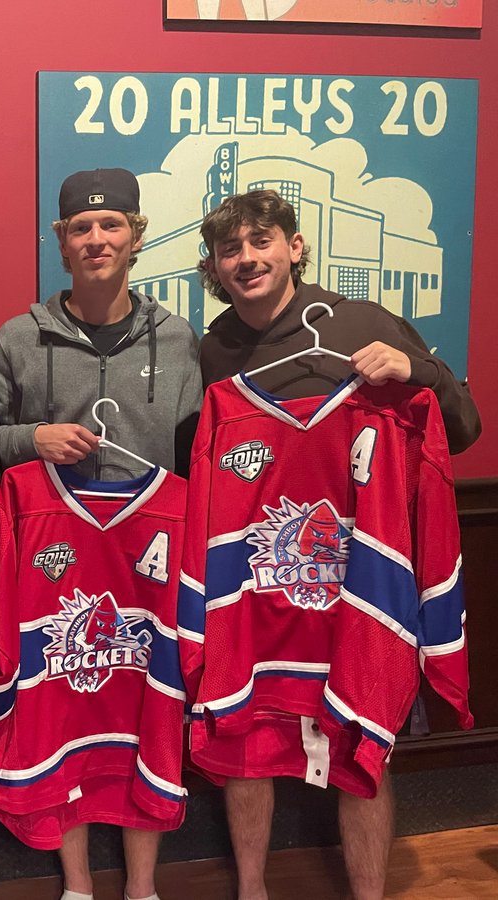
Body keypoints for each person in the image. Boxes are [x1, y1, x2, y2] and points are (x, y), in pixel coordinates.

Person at [194, 188, 481, 900]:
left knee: (365, 749)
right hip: (261, 596)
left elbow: (461, 428)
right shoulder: (216, 353)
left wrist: (419, 371)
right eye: (231, 249)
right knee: (247, 744)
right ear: (216, 267)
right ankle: (251, 888)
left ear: (295, 246)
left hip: (361, 596)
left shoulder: (361, 321)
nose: (247, 259)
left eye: (262, 241)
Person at [0, 168, 202, 900]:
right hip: (54, 550)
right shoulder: (20, 337)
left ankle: (141, 885)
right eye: (81, 228)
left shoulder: (178, 337)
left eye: (111, 225)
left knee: (147, 708)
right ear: (60, 241)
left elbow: (200, 452)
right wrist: (32, 436)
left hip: (149, 550)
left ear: (137, 236)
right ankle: (77, 881)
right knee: (61, 711)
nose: (96, 239)